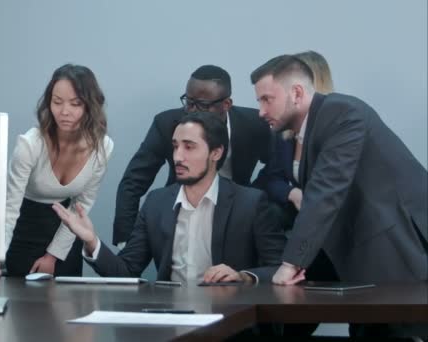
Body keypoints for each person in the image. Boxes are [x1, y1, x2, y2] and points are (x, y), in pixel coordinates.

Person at [251, 55, 428, 338]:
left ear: (296, 93)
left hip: (394, 246)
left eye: (266, 99)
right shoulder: (300, 132)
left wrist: (290, 264)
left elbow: (325, 193)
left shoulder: (342, 112)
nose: (260, 111)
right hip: (358, 255)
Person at [54, 112, 286, 285]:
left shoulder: (250, 203)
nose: (178, 157)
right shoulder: (157, 203)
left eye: (189, 147)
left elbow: (278, 268)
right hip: (172, 319)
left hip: (230, 320)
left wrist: (243, 277)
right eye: (175, 147)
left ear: (216, 153)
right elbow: (126, 271)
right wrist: (91, 241)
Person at [0, 64, 114, 278]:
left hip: (65, 235)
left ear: (90, 106)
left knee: (66, 307)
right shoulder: (30, 145)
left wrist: (52, 256)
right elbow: (10, 208)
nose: (64, 111)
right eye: (57, 102)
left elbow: (81, 207)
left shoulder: (103, 148)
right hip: (24, 231)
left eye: (75, 104)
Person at [113, 65, 272, 247]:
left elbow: (275, 169)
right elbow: (133, 181)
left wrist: (252, 194)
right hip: (182, 211)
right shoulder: (166, 124)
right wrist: (125, 241)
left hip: (235, 216)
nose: (193, 111)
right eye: (189, 102)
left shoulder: (254, 124)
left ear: (226, 104)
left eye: (203, 106)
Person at [262, 51, 334, 231]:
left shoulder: (334, 127)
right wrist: (292, 193)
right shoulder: (285, 128)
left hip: (330, 219)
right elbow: (271, 178)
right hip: (298, 211)